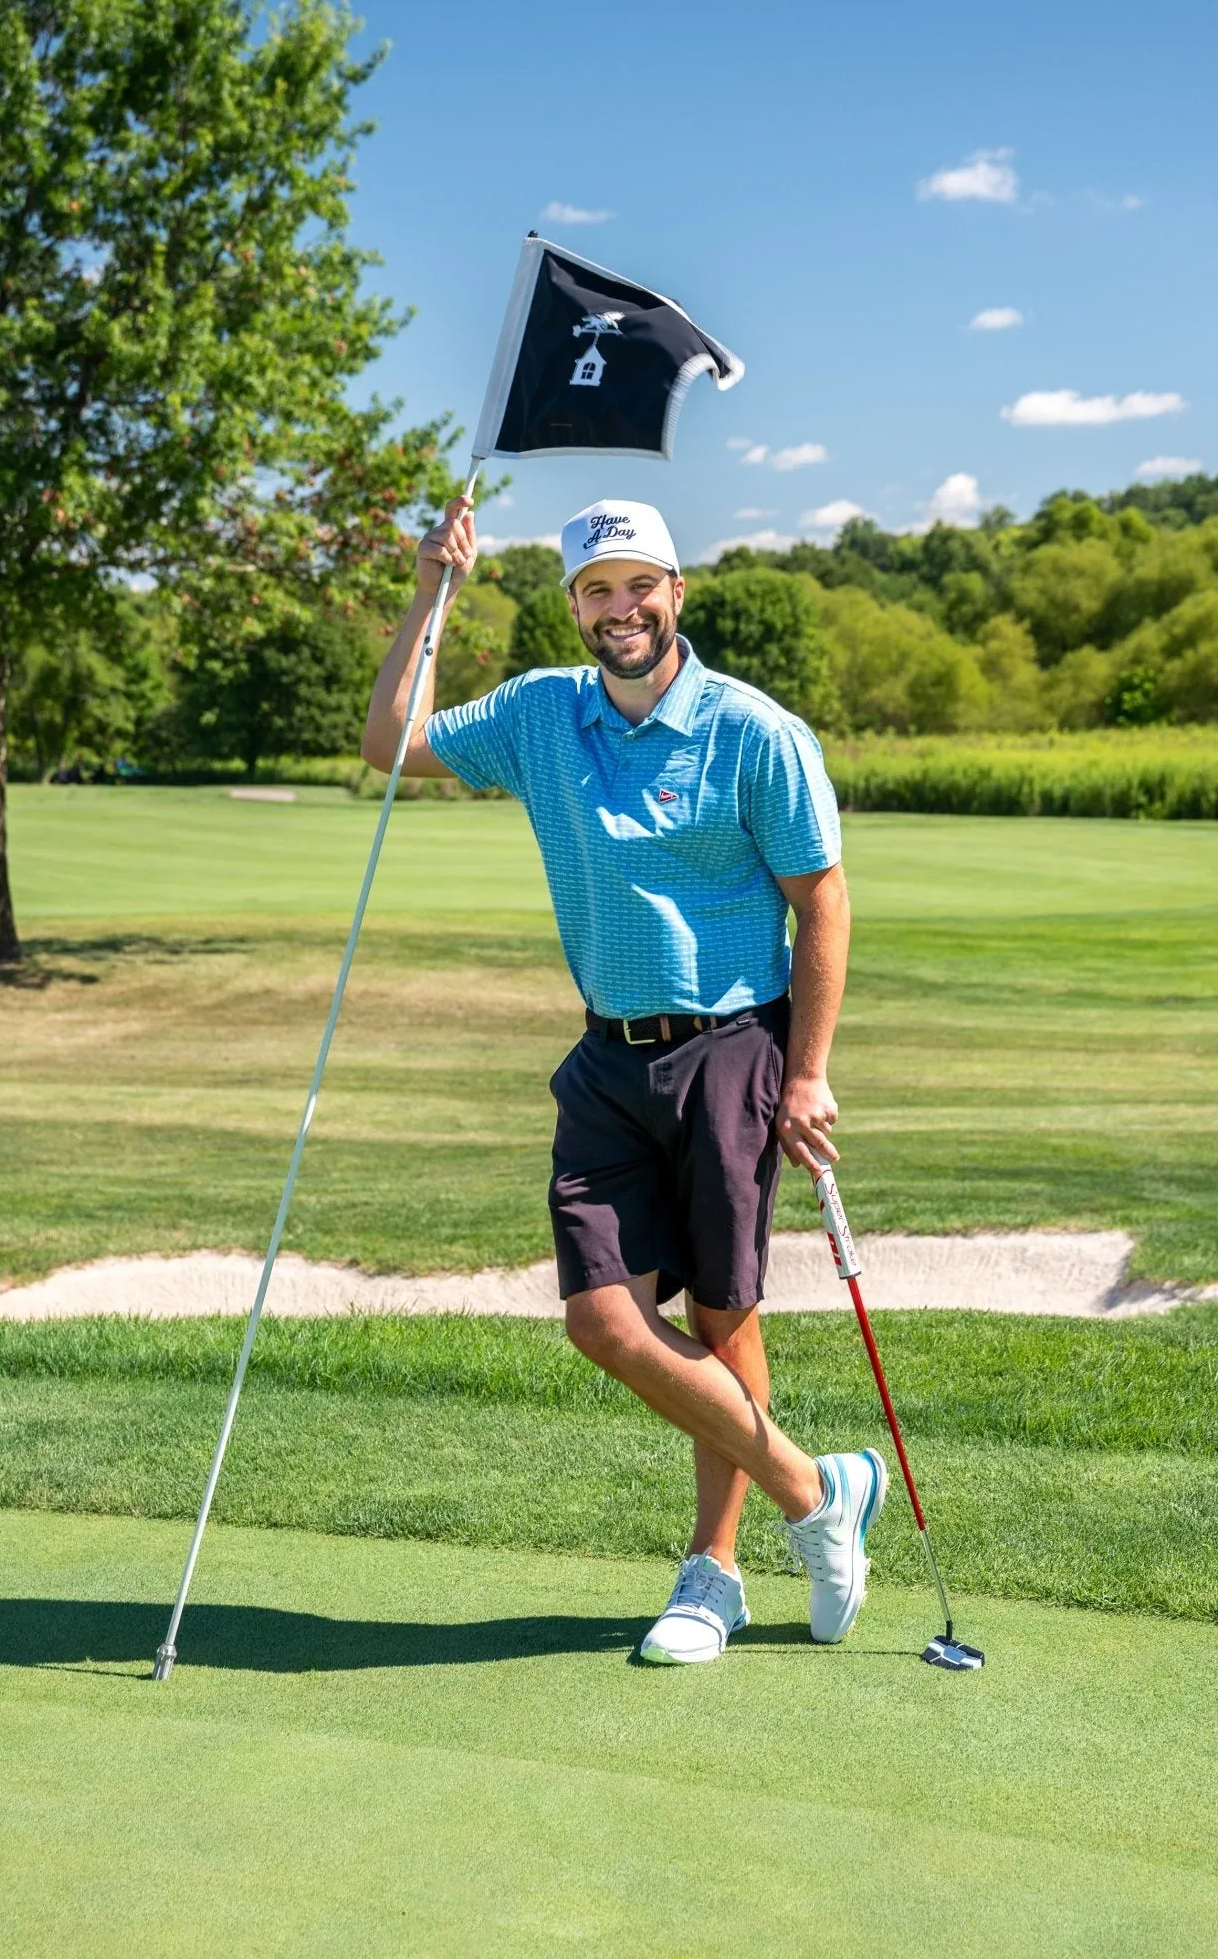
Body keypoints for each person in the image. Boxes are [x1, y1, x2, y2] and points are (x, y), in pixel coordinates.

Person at [362, 493, 886, 1664]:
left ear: (676, 594)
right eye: (597, 591)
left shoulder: (756, 732)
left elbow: (823, 901)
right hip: (606, 1054)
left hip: (732, 1048)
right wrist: (429, 590)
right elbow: (391, 743)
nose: (620, 609)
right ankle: (817, 1488)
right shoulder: (544, 713)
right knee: (602, 1318)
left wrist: (806, 1073)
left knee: (720, 1310)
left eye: (639, 584)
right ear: (574, 607)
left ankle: (716, 1573)